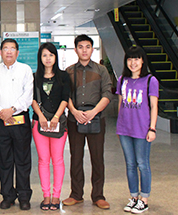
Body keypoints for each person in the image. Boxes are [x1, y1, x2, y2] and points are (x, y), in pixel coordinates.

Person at [63, 35, 113, 210]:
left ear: (92, 49)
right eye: (81, 47)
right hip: (74, 118)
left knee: (97, 157)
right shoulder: (69, 71)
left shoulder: (101, 70)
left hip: (96, 118)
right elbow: (65, 95)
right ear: (75, 49)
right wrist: (74, 111)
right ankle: (76, 194)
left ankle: (98, 196)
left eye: (88, 47)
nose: (84, 50)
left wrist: (93, 112)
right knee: (76, 157)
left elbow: (107, 93)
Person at [116, 46, 159, 214]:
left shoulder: (150, 80)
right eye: (130, 59)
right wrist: (120, 125)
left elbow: (154, 106)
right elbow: (121, 103)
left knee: (142, 164)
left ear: (142, 61)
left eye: (136, 59)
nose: (133, 62)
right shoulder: (122, 80)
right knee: (130, 164)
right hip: (124, 129)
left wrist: (152, 128)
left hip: (142, 129)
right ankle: (133, 197)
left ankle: (144, 199)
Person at [0, 38, 33, 211]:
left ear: (17, 52)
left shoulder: (25, 69)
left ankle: (24, 196)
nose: (9, 51)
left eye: (12, 48)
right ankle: (7, 196)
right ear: (0, 52)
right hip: (0, 119)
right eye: (5, 48)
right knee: (4, 160)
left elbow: (28, 95)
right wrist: (2, 112)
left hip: (20, 119)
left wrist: (12, 109)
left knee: (23, 160)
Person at [31, 43, 70, 211]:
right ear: (40, 58)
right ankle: (46, 196)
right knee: (43, 160)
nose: (48, 58)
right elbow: (32, 99)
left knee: (58, 159)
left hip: (58, 123)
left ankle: (56, 196)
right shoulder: (34, 77)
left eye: (51, 55)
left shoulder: (64, 76)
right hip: (39, 123)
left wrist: (55, 117)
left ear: (55, 57)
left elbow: (65, 98)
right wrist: (41, 116)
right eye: (44, 55)